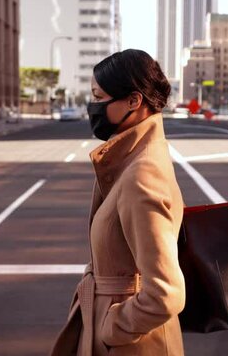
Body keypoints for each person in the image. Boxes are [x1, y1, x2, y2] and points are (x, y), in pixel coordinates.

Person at [50, 49, 186, 356]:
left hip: (134, 345)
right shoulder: (132, 160)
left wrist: (111, 330)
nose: (93, 106)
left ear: (134, 101)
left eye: (99, 97)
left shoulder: (142, 174)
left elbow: (166, 293)